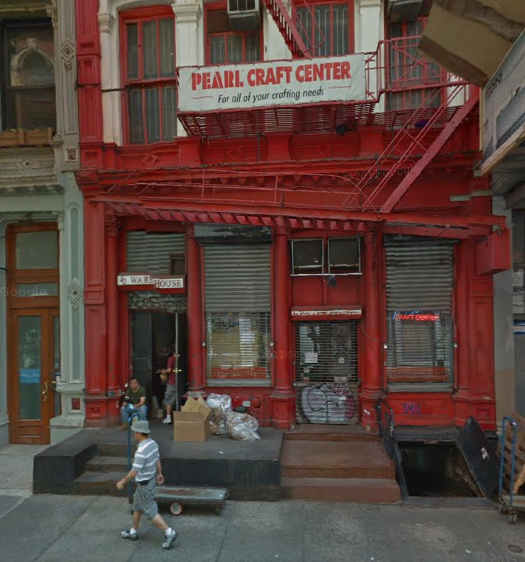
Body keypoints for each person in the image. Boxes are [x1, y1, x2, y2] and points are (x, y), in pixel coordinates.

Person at [116, 420, 178, 550]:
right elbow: (157, 460)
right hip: (150, 481)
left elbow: (134, 471)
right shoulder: (153, 444)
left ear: (139, 433)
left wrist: (123, 481)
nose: (134, 434)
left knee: (150, 511)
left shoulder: (141, 451)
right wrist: (159, 473)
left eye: (135, 432)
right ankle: (133, 531)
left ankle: (169, 532)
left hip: (144, 485)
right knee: (137, 506)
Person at [159, 351, 177, 425]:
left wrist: (164, 371)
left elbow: (169, 370)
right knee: (174, 399)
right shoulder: (178, 358)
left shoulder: (171, 358)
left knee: (168, 399)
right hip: (178, 382)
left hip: (172, 382)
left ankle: (168, 417)